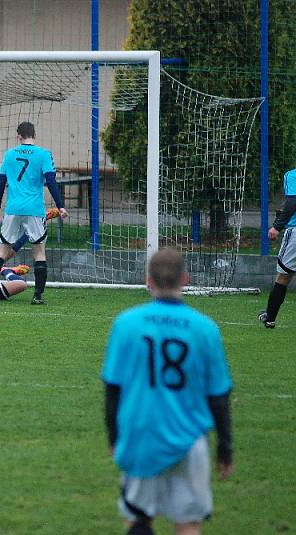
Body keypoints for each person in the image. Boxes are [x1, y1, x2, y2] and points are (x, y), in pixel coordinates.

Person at [102, 249, 233, 535]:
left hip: (140, 436)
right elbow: (219, 396)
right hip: (189, 440)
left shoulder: (126, 323)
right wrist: (225, 446)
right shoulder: (206, 329)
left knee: (138, 519)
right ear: (185, 279)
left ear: (148, 280)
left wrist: (113, 436)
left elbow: (112, 387)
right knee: (188, 525)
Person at [0, 121, 68, 304]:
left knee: (2, 251)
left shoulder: (9, 155)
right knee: (39, 252)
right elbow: (51, 182)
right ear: (34, 135)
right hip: (35, 209)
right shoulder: (44, 154)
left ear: (19, 136)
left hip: (13, 209)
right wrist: (60, 206)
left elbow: (1, 184)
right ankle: (37, 296)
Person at [258, 166, 296, 329]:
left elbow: (292, 202)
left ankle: (270, 318)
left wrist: (277, 226)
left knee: (283, 276)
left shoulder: (292, 175)